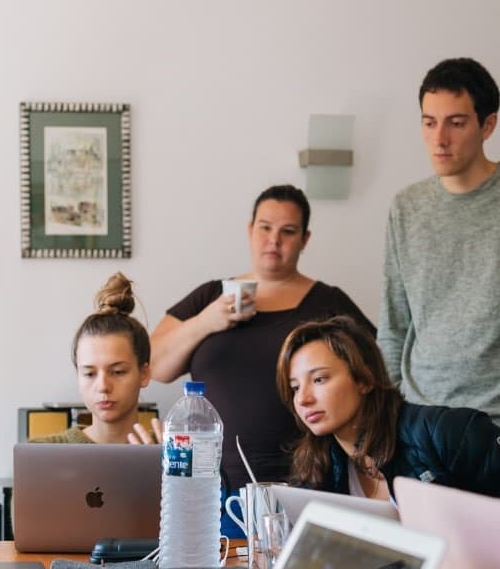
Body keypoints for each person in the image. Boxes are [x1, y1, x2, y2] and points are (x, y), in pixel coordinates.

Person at [279, 315, 500, 569]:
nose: (303, 398)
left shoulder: (446, 432)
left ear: (364, 380)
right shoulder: (319, 466)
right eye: (295, 387)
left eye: (319, 380)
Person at [379, 57, 500, 451]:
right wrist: (392, 411)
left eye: (456, 123)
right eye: (429, 122)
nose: (439, 139)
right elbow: (393, 325)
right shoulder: (407, 207)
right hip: (419, 425)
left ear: (488, 125)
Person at [149, 184, 374, 495]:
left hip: (309, 480)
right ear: (250, 229)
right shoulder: (211, 296)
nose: (274, 240)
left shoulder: (328, 302)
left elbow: (374, 374)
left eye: (288, 231)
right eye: (265, 227)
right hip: (209, 484)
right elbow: (155, 366)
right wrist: (206, 322)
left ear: (305, 239)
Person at [31, 273, 156, 445]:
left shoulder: (173, 454)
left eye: (118, 372)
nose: (103, 387)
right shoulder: (41, 453)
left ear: (144, 374)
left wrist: (165, 469)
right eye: (89, 374)